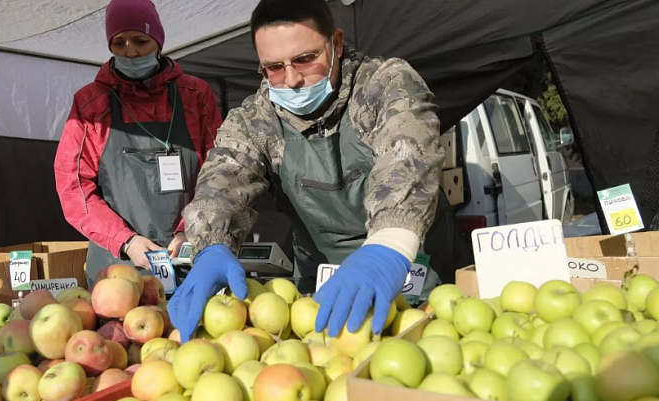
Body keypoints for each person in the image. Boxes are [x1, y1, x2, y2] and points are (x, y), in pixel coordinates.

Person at [168, 0, 446, 342]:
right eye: (273, 67)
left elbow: (409, 152)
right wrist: (211, 242)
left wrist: (390, 245)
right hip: (319, 284)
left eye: (305, 59)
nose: (292, 79)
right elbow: (225, 176)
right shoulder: (257, 118)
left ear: (337, 43)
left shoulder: (384, 84)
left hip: (404, 263)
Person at [54, 0, 222, 287]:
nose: (130, 52)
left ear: (158, 41)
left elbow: (218, 172)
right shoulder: (91, 103)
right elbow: (74, 186)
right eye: (119, 43)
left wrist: (192, 230)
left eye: (141, 41)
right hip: (118, 267)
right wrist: (125, 240)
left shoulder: (195, 95)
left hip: (188, 256)